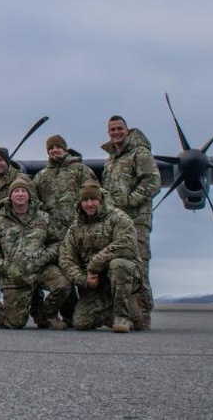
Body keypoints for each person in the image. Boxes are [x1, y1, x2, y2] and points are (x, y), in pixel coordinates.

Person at [0, 178, 71, 330]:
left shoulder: (43, 218)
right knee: (14, 323)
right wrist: (4, 267)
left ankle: (46, 315)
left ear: (29, 195)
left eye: (24, 191)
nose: (20, 194)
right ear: (10, 196)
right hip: (15, 275)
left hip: (40, 268)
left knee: (62, 285)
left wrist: (42, 258)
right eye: (16, 191)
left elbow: (56, 242)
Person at [101, 116, 161, 330]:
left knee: (139, 265)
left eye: (119, 129)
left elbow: (153, 181)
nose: (115, 132)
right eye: (112, 129)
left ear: (127, 130)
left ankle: (143, 317)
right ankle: (125, 314)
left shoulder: (140, 153)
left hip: (136, 221)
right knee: (119, 266)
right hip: (115, 222)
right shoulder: (111, 160)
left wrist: (130, 201)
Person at [58, 181, 142, 332]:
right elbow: (66, 259)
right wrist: (84, 280)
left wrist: (95, 263)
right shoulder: (75, 228)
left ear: (101, 201)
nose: (89, 204)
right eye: (85, 200)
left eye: (93, 200)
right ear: (80, 203)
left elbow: (125, 244)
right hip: (94, 283)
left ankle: (122, 315)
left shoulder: (119, 218)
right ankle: (118, 311)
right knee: (81, 323)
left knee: (118, 265)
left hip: (120, 275)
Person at [33, 134, 98, 322]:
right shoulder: (41, 176)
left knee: (85, 270)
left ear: (65, 148)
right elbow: (34, 204)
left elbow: (96, 197)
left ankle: (86, 311)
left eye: (58, 147)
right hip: (55, 237)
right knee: (65, 274)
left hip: (81, 233)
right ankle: (69, 314)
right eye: (51, 148)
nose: (55, 151)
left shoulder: (81, 171)